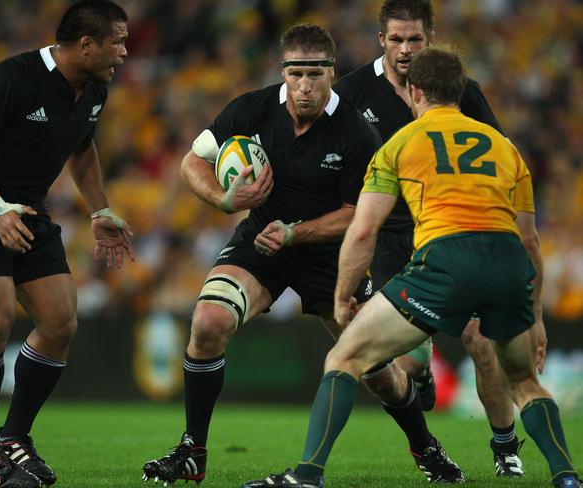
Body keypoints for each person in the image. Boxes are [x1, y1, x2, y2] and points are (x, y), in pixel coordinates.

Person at [242, 45, 581, 488]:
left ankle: (307, 475)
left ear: (415, 91)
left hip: (445, 261)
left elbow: (363, 231)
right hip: (507, 266)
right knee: (524, 381)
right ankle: (567, 477)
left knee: (345, 356)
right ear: (460, 91)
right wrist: (535, 317)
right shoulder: (505, 148)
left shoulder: (400, 143)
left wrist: (343, 296)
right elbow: (530, 241)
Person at [142, 23, 462, 486]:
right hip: (261, 242)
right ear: (283, 72)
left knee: (378, 371)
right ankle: (193, 450)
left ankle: (425, 446)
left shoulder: (356, 130)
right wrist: (223, 201)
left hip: (330, 257)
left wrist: (294, 233)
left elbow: (357, 213)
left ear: (332, 72)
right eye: (296, 73)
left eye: (315, 73)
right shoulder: (250, 109)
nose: (305, 85)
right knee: (208, 322)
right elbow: (193, 161)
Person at [333, 0, 540, 477]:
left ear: (431, 38)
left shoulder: (461, 92)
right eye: (396, 39)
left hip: (453, 231)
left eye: (415, 40)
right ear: (380, 40)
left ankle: (505, 446)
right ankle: (422, 372)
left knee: (478, 335)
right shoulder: (350, 94)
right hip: (392, 240)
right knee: (401, 363)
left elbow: (498, 158)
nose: (405, 50)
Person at [0, 2, 134, 487]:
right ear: (86, 44)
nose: (125, 53)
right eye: (118, 42)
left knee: (61, 321)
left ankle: (14, 438)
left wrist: (99, 209)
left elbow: (82, 146)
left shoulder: (95, 89)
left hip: (27, 211)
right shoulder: (13, 77)